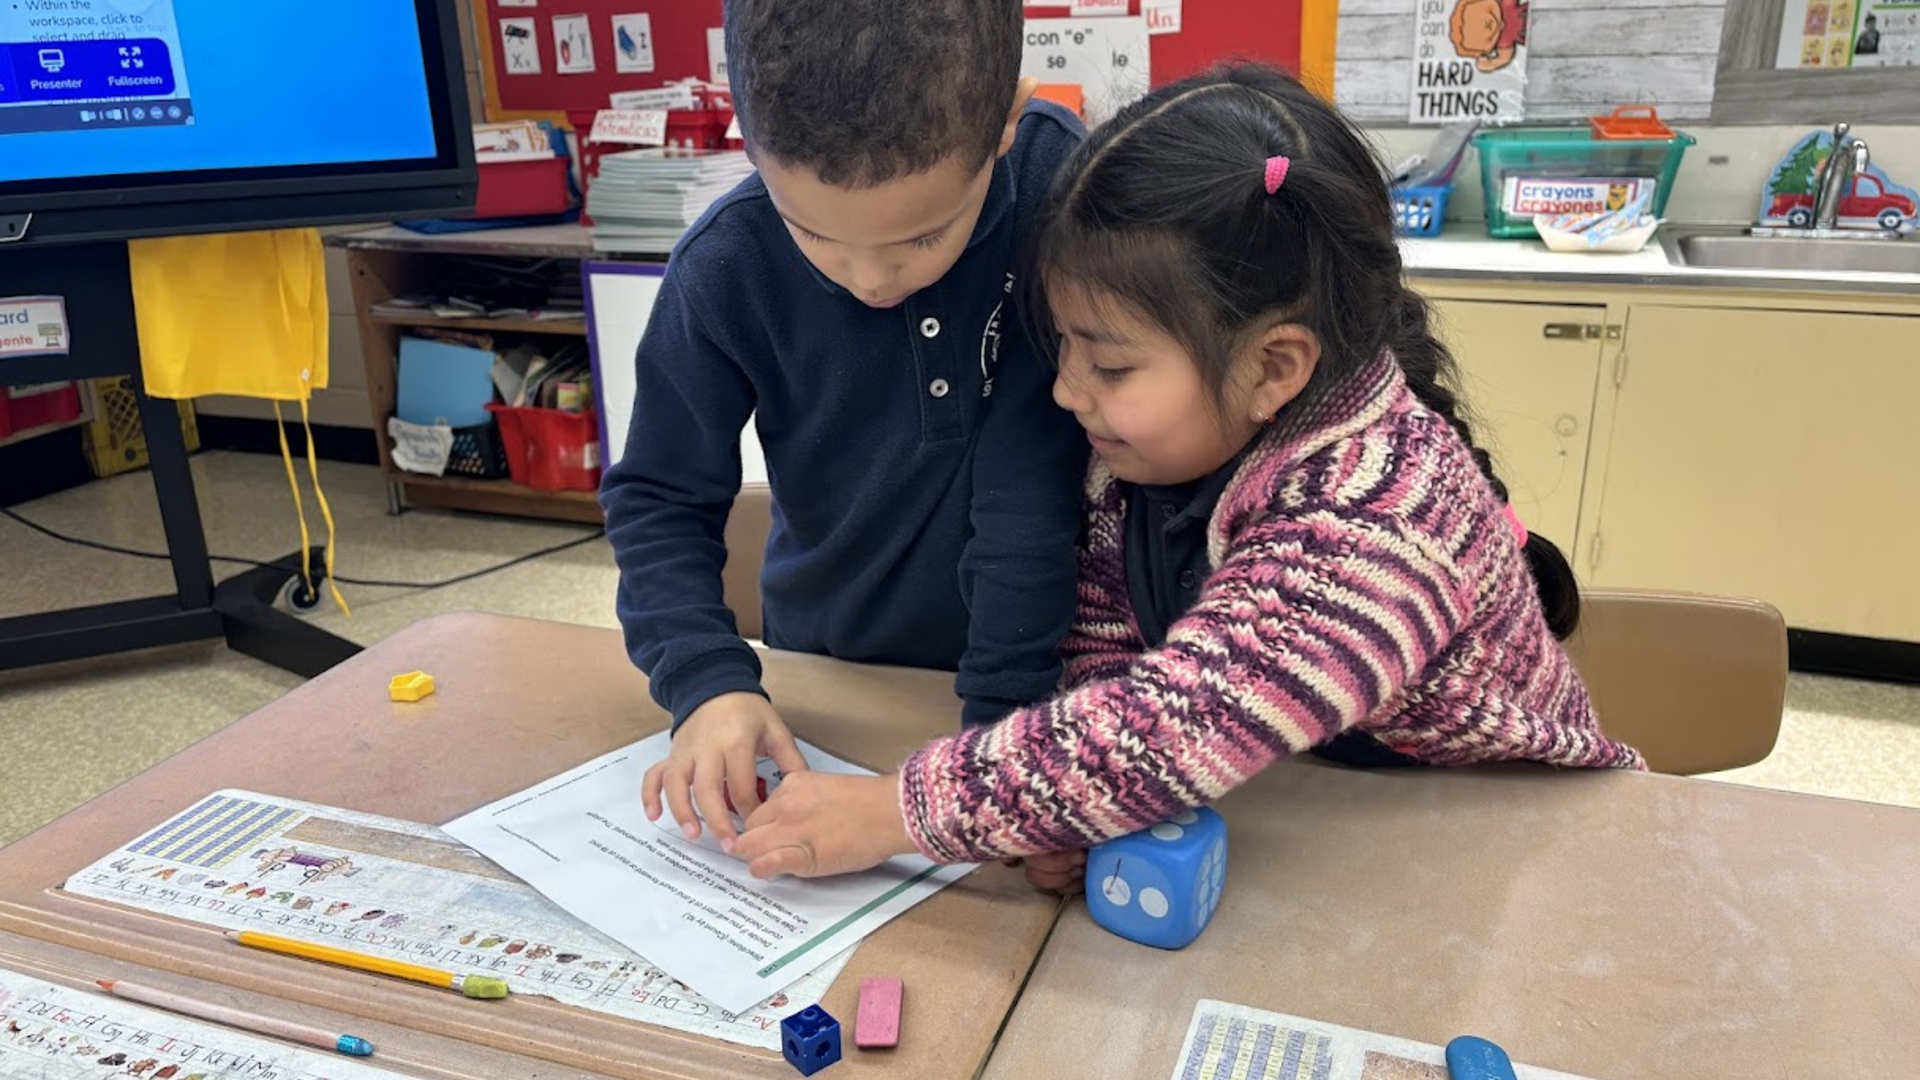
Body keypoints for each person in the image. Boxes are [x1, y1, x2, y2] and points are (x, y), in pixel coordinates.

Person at [730, 64, 1645, 885]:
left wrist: (900, 812)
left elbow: (1190, 717)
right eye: (1065, 347)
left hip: (1512, 840)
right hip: (1309, 803)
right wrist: (1059, 806)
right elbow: (1104, 639)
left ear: (1273, 369)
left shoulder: (1387, 506)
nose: (1065, 390)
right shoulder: (1153, 448)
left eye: (1110, 365)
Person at [605, 0, 1089, 847]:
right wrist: (708, 682)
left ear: (1007, 122)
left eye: (924, 236)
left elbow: (1031, 486)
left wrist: (995, 751)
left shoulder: (1063, 197)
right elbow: (658, 496)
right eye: (813, 233)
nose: (872, 278)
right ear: (749, 145)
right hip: (830, 666)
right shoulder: (725, 265)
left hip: (1044, 683)